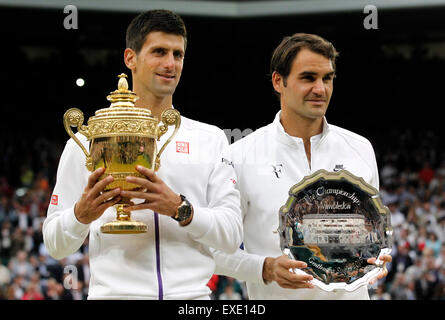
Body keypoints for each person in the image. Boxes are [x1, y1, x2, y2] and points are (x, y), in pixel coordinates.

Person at [43, 9, 242, 300]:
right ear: (130, 58)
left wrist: (179, 209)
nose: (170, 64)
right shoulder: (90, 137)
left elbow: (232, 235)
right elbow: (54, 244)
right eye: (159, 52)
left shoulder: (210, 139)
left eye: (178, 54)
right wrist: (80, 215)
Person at [212, 33, 391, 299]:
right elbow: (212, 250)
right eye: (308, 78)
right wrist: (265, 268)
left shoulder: (361, 148)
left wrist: (378, 256)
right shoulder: (240, 155)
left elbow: (372, 234)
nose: (320, 89)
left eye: (327, 78)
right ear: (278, 82)